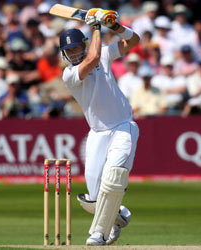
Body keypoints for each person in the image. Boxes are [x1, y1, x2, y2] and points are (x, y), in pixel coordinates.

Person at [60, 8, 140, 246]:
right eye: (69, 50)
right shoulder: (70, 74)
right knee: (93, 199)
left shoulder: (104, 53)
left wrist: (114, 26)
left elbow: (134, 41)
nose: (73, 53)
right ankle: (118, 216)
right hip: (97, 133)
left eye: (76, 48)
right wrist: (96, 26)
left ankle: (99, 234)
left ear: (83, 45)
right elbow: (92, 59)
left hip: (123, 126)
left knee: (113, 178)